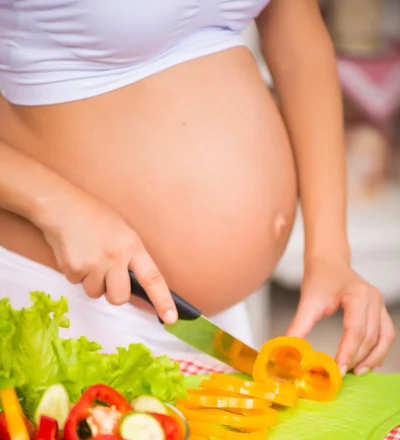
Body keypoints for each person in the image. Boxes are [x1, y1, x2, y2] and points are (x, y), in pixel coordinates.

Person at [0, 0, 395, 372]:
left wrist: (329, 252)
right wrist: (56, 208)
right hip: (75, 301)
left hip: (211, 324)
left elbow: (297, 38)